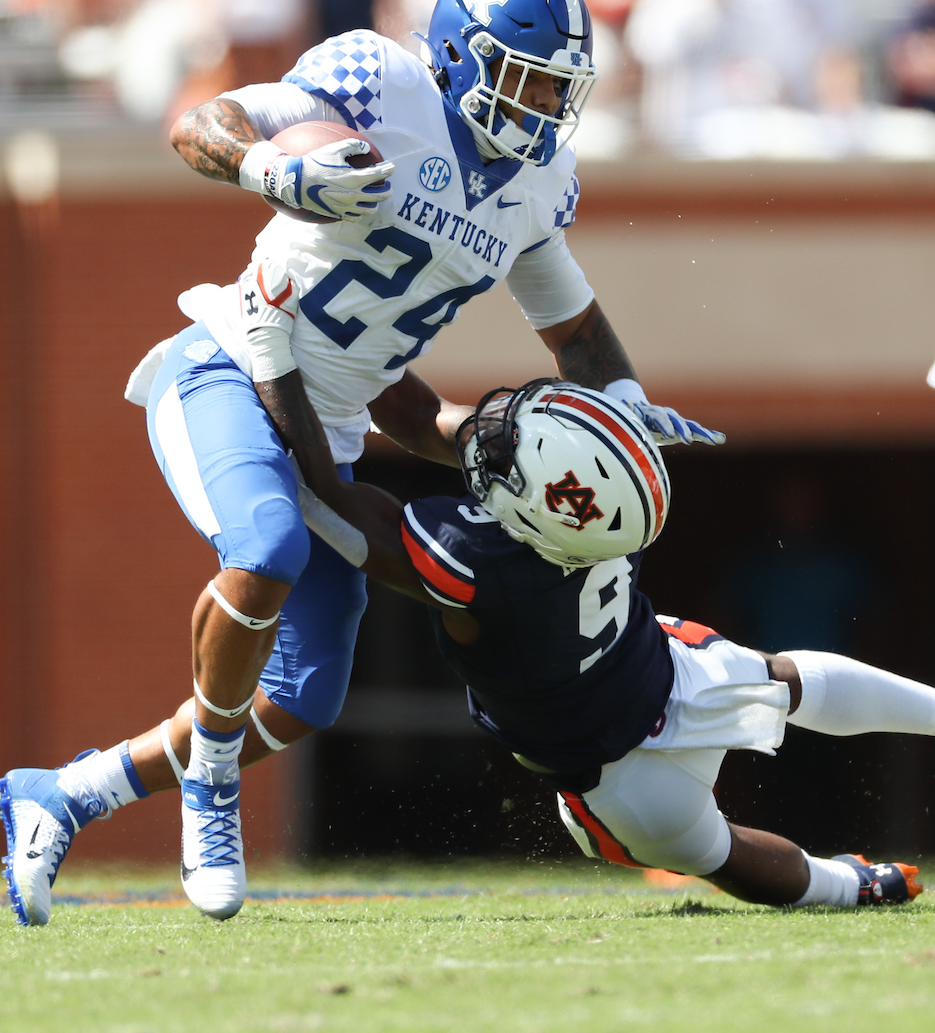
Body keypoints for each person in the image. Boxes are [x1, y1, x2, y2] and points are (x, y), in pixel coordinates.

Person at [0, 0, 724, 928]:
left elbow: (578, 334)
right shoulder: (378, 84)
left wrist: (625, 408)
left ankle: (65, 795)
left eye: (561, 87)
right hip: (229, 361)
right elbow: (201, 124)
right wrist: (268, 165)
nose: (547, 107)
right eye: (528, 79)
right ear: (464, 58)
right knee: (266, 549)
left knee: (303, 697)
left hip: (337, 415)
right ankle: (212, 788)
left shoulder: (535, 187)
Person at [247, 372, 929, 909]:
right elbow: (431, 425)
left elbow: (328, 495)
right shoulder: (601, 514)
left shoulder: (478, 563)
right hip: (672, 676)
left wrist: (285, 365)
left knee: (720, 855)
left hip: (616, 780)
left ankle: (851, 887)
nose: (496, 436)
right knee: (783, 679)